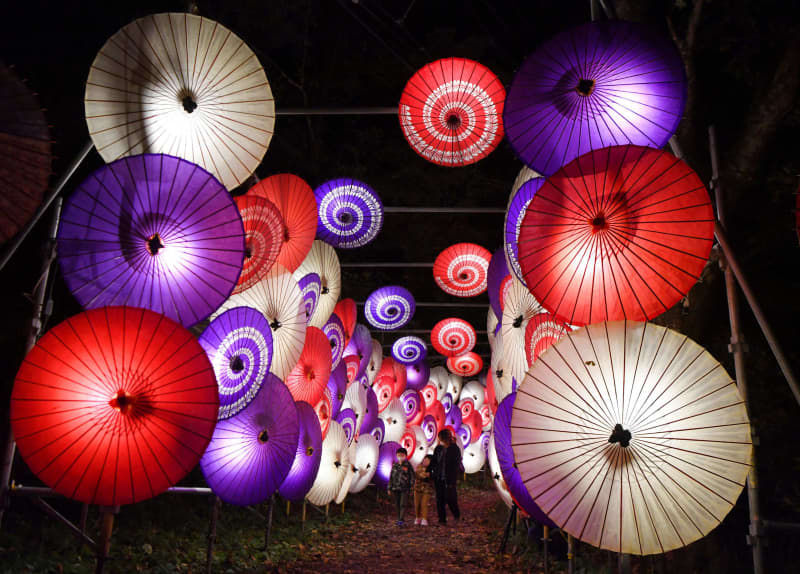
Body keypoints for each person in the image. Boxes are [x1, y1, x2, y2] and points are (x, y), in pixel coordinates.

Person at [430, 429, 462, 525]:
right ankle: (442, 519)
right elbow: (434, 461)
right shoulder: (438, 449)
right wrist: (430, 472)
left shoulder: (454, 449)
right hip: (439, 477)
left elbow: (455, 465)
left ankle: (456, 515)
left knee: (450, 498)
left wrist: (453, 480)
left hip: (449, 478)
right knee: (440, 499)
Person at [388, 447, 415, 526]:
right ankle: (398, 518)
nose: (400, 456)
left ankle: (401, 519)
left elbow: (412, 476)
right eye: (399, 455)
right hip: (395, 488)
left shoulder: (408, 465)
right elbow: (391, 477)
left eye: (402, 455)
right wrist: (389, 488)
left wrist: (411, 486)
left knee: (403, 504)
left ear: (405, 456)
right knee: (397, 504)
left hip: (404, 488)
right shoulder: (395, 465)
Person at [413, 454, 434, 525]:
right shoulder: (419, 466)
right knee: (417, 504)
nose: (425, 461)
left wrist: (428, 474)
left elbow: (431, 477)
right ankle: (418, 517)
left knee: (424, 504)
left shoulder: (432, 469)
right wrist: (426, 474)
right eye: (425, 459)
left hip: (427, 489)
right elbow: (419, 475)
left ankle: (424, 519)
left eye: (428, 460)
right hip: (417, 488)